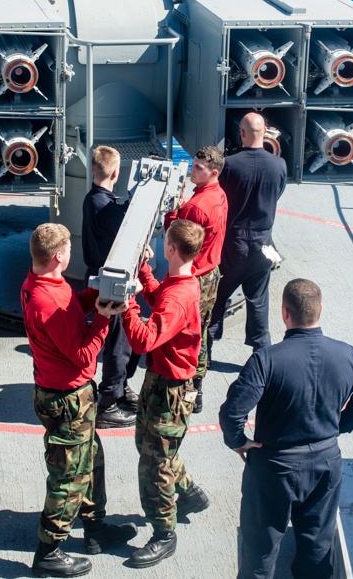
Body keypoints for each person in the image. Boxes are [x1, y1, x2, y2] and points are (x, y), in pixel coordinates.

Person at [219, 279, 353, 579]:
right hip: (325, 464)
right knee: (316, 546)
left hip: (274, 468)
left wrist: (239, 441)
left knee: (260, 550)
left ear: (284, 313)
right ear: (320, 309)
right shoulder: (347, 354)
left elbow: (233, 412)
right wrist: (339, 426)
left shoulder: (266, 360)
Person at [21, 223, 137, 577]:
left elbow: (72, 306)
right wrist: (103, 318)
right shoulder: (47, 302)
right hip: (67, 400)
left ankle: (96, 529)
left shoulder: (44, 283)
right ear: (59, 257)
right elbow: (85, 356)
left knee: (91, 462)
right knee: (68, 476)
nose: (71, 254)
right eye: (68, 250)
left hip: (71, 397)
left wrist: (96, 296)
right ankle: (49, 550)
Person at [120, 220, 212, 568]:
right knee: (149, 444)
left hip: (169, 390)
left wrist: (126, 305)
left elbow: (143, 340)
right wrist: (144, 271)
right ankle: (187, 491)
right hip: (162, 383)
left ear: (171, 249)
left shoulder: (178, 296)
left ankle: (163, 533)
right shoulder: (181, 284)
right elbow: (160, 297)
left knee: (154, 462)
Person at [208, 112, 288, 357]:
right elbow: (278, 193)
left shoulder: (230, 165)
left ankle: (206, 348)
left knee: (217, 296)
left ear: (241, 133)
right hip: (263, 243)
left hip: (233, 244)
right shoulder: (279, 165)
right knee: (258, 301)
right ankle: (260, 353)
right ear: (265, 132)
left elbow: (220, 198)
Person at [163, 145, 227, 414]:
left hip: (195, 278)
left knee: (188, 336)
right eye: (193, 164)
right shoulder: (219, 195)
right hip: (211, 274)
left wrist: (172, 213)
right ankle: (196, 387)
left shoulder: (197, 207)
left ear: (213, 172)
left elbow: (176, 240)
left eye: (199, 168)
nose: (193, 169)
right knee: (201, 330)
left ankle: (188, 391)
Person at [81, 145, 138, 429]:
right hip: (111, 280)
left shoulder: (92, 200)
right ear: (116, 172)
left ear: (93, 169)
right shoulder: (108, 208)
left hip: (97, 274)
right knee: (119, 342)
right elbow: (129, 226)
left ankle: (120, 387)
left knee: (121, 339)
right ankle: (110, 402)